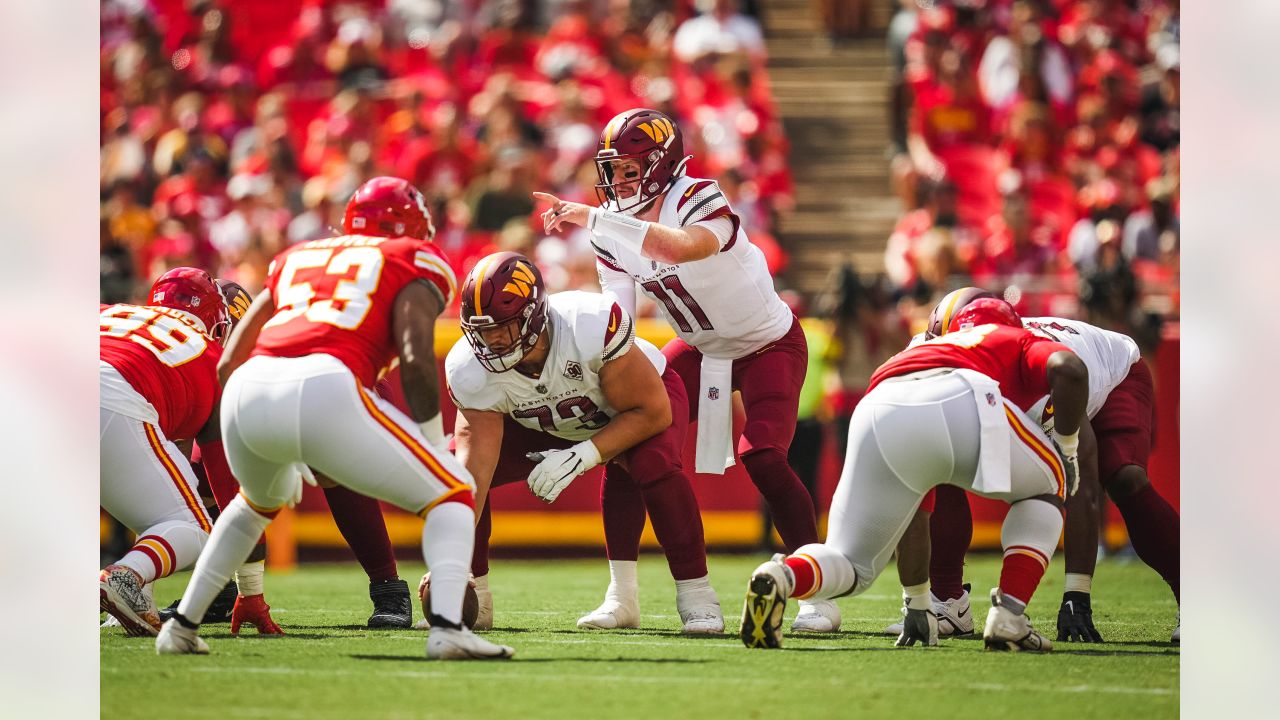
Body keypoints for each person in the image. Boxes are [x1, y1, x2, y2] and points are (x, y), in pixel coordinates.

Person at [155, 176, 513, 660]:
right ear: (408, 225)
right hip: (326, 379)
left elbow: (228, 360)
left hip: (246, 386)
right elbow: (414, 353)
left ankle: (180, 627)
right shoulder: (411, 258)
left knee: (250, 507)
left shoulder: (300, 255)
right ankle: (448, 630)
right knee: (453, 492)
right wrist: (432, 442)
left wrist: (264, 429)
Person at [533, 107, 834, 632]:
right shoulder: (609, 234)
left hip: (768, 344)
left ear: (662, 163)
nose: (620, 180)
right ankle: (621, 596)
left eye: (632, 168)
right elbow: (618, 318)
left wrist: (591, 217)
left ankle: (817, 594)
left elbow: (682, 246)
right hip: (697, 347)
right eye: (615, 169)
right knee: (628, 442)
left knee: (763, 457)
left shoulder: (695, 196)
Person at [740, 298, 1088, 652]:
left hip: (877, 405)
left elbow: (918, 514)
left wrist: (918, 603)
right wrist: (1068, 447)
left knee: (852, 565)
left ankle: (782, 576)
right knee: (1050, 484)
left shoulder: (927, 345)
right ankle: (1010, 616)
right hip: (961, 393)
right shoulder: (1011, 336)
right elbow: (1070, 369)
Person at [447, 252, 723, 634]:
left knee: (652, 465)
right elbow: (474, 469)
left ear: (534, 315)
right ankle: (473, 592)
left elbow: (651, 412)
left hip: (638, 402)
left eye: (503, 327)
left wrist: (584, 454)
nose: (491, 340)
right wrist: (450, 561)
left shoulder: (587, 324)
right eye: (482, 330)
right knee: (455, 473)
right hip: (551, 423)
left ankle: (697, 594)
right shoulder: (469, 367)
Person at [886, 288, 1180, 643]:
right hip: (1022, 387)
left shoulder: (1042, 366)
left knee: (1124, 478)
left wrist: (1077, 596)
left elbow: (1080, 476)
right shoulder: (929, 346)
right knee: (941, 457)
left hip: (1115, 377)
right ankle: (948, 601)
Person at [100, 268, 248, 636]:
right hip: (109, 393)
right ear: (218, 324)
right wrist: (251, 588)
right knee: (194, 527)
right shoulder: (212, 354)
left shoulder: (110, 311)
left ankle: (128, 599)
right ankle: (126, 577)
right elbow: (227, 494)